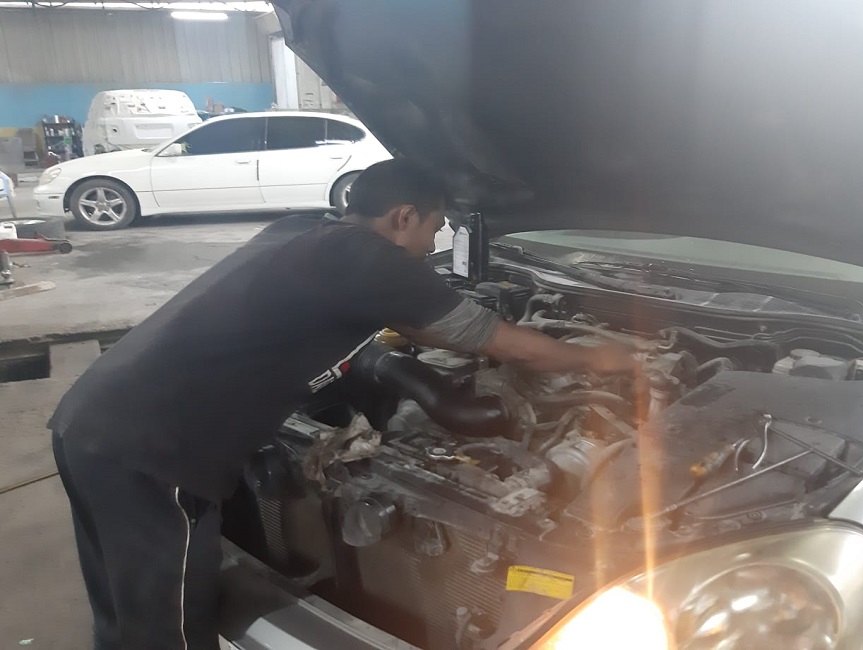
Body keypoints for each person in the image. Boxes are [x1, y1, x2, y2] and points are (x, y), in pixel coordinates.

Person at [50, 159, 635, 650]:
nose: (434, 245)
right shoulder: (372, 260)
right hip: (155, 451)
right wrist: (598, 359)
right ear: (403, 217)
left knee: (122, 604)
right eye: (435, 229)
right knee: (169, 626)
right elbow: (498, 341)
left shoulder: (301, 232)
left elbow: (412, 326)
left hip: (91, 420)